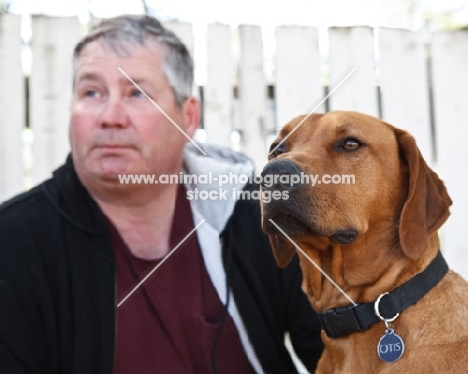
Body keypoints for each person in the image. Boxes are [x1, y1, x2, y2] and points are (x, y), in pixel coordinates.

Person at [0, 14, 323, 374]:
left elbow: (338, 350)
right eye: (91, 92)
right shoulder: (14, 243)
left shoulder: (251, 212)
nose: (110, 116)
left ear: (187, 117)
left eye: (137, 93)